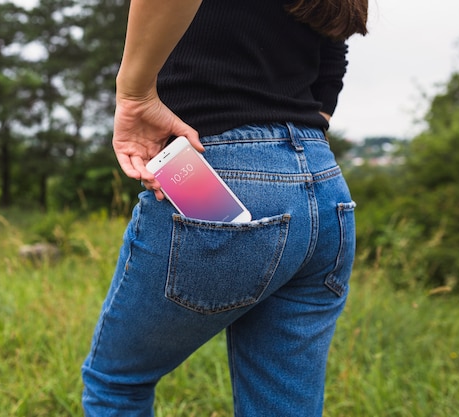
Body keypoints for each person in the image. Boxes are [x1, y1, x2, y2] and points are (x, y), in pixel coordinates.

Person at [82, 0, 368, 415]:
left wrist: (134, 93)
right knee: (282, 404)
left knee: (116, 383)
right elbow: (333, 46)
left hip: (219, 162)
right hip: (325, 189)